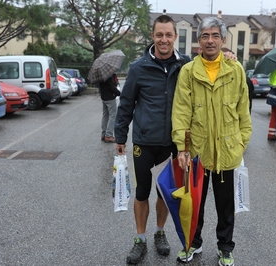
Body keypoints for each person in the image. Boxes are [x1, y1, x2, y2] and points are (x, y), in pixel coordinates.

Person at [171, 17, 252, 266]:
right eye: (205, 36)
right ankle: (193, 243)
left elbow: (243, 112)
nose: (210, 40)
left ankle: (225, 247)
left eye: (215, 35)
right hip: (197, 151)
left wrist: (241, 144)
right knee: (194, 204)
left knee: (226, 207)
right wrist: (183, 149)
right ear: (198, 41)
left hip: (228, 152)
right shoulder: (188, 72)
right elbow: (182, 112)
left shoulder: (234, 69)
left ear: (223, 40)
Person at [114, 15, 191, 264]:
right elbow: (126, 104)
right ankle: (140, 239)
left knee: (165, 192)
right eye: (159, 34)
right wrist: (120, 136)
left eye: (169, 34)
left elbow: (210, 66)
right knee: (142, 192)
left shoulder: (185, 66)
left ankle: (159, 233)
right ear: (152, 36)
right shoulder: (139, 68)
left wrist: (230, 56)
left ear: (175, 37)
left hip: (172, 143)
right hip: (144, 143)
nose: (164, 39)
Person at [99, 73, 120, 143]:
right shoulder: (108, 75)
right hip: (110, 98)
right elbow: (112, 87)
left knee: (105, 115)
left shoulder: (101, 74)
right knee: (113, 115)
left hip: (104, 97)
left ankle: (104, 134)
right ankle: (108, 135)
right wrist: (120, 93)